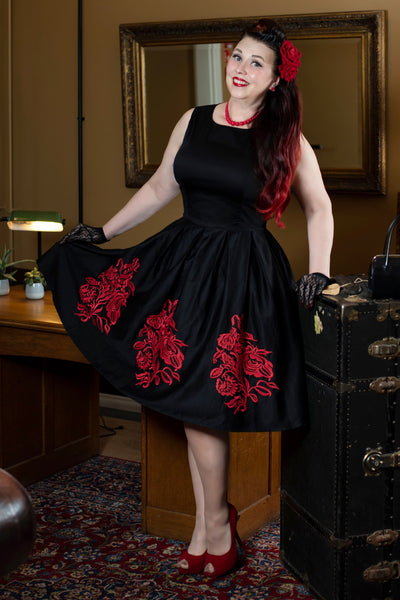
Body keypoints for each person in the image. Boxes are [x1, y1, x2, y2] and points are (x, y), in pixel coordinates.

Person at [38, 18, 333, 579]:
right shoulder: (194, 120)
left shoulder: (284, 135)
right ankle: (211, 524)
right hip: (183, 263)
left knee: (203, 400)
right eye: (238, 57)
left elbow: (318, 206)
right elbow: (159, 188)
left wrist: (317, 271)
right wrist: (102, 233)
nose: (241, 70)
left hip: (242, 275)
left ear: (275, 80)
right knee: (191, 399)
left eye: (256, 64)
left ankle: (216, 528)